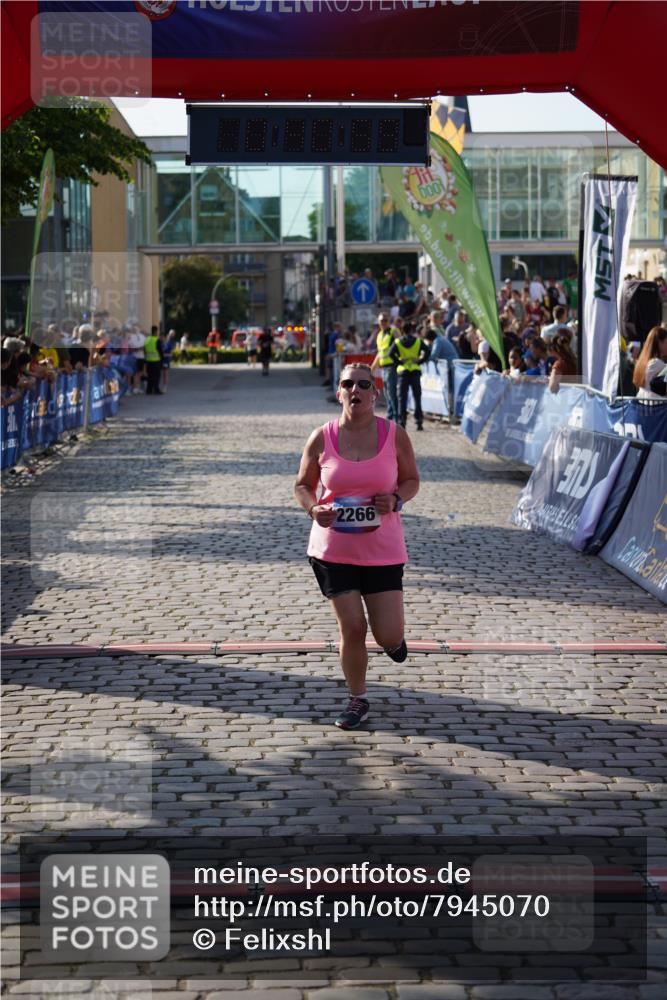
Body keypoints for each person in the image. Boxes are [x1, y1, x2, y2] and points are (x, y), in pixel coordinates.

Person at [294, 362, 420, 730]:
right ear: (339, 393)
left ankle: (394, 642)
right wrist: (313, 507)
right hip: (334, 549)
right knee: (352, 627)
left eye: (364, 384)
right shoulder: (321, 436)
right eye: (348, 384)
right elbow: (302, 484)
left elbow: (412, 480)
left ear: (375, 393)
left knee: (388, 634)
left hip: (382, 548)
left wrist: (396, 499)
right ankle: (357, 698)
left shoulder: (394, 435)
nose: (356, 390)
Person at [391, 320, 430, 431]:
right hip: (415, 371)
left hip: (403, 372)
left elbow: (390, 354)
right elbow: (427, 351)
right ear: (412, 330)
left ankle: (402, 422)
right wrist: (420, 361)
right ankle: (419, 422)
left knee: (402, 398)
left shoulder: (398, 342)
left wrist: (399, 362)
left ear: (402, 331)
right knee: (417, 397)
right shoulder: (418, 341)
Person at [370, 314, 399, 422]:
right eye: (381, 321)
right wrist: (372, 368)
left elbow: (401, 345)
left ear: (389, 321)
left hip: (393, 366)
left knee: (392, 392)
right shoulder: (380, 335)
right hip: (384, 367)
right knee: (387, 392)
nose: (383, 322)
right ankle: (391, 414)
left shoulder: (393, 332)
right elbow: (380, 353)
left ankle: (396, 416)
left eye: (385, 320)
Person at [632, 326, 667, 399]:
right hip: (656, 408)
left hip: (641, 405)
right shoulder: (656, 364)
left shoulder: (642, 362)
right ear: (659, 343)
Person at [144, 325, 163, 395]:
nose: (158, 332)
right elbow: (160, 351)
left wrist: (146, 357)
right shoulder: (156, 340)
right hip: (156, 360)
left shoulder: (147, 339)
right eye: (157, 331)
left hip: (149, 360)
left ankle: (149, 390)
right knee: (156, 376)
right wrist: (162, 360)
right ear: (155, 331)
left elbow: (144, 349)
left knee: (150, 376)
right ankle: (156, 389)